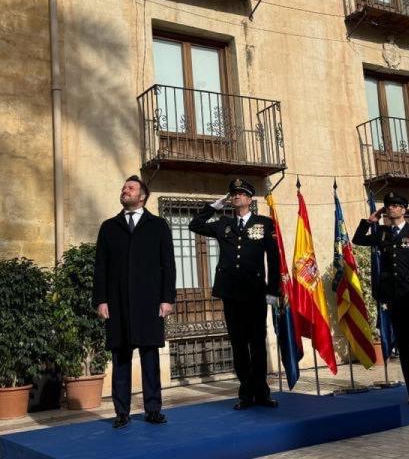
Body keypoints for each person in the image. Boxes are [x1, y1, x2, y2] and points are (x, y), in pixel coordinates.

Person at [189, 179, 281, 410]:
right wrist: (214, 206)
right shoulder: (224, 224)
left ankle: (262, 393)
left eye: (241, 193)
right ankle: (246, 394)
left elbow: (274, 258)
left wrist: (273, 291)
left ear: (249, 199)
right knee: (239, 344)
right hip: (231, 293)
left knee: (257, 344)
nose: (236, 196)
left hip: (255, 293)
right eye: (233, 194)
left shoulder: (265, 223)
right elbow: (195, 224)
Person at [93, 176, 177, 429]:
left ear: (142, 196)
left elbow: (168, 264)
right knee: (120, 357)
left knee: (150, 356)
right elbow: (100, 267)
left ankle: (153, 409)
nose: (124, 191)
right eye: (123, 188)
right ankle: (121, 412)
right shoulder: (109, 227)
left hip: (149, 302)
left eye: (130, 188)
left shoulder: (158, 225)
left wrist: (167, 298)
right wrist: (101, 300)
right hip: (117, 302)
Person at [353, 192, 409, 404]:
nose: (391, 208)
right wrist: (369, 221)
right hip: (394, 295)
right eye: (388, 205)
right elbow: (358, 239)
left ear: (403, 210)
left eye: (395, 205)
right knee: (405, 345)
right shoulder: (382, 232)